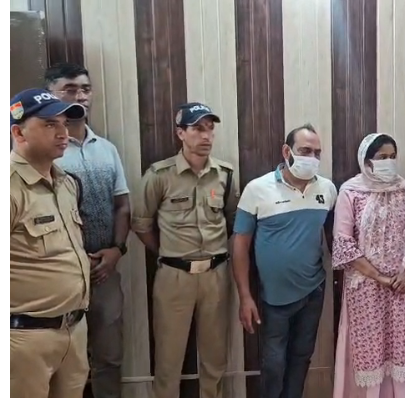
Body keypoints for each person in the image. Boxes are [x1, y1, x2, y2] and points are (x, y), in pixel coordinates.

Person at [131, 102, 240, 398]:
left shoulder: (225, 174)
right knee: (168, 359)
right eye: (197, 129)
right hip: (174, 278)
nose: (206, 136)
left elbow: (232, 219)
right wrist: (168, 253)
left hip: (216, 275)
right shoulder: (159, 175)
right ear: (180, 133)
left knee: (215, 358)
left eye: (210, 129)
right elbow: (141, 224)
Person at [232, 123, 337, 398]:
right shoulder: (257, 189)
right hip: (274, 298)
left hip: (313, 291)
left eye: (317, 153)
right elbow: (240, 245)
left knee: (301, 358)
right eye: (305, 151)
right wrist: (245, 296)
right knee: (273, 363)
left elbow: (331, 235)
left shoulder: (327, 189)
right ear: (286, 151)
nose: (311, 158)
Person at [46, 62, 131, 398]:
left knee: (109, 357)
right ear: (50, 94)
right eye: (69, 89)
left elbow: (122, 206)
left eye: (85, 88)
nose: (79, 95)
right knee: (65, 362)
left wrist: (117, 250)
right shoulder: (45, 151)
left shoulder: (107, 149)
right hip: (63, 275)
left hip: (104, 273)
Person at [332, 133, 405, 398]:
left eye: (392, 157)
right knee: (369, 354)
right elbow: (343, 244)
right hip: (366, 290)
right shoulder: (350, 192)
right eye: (382, 157)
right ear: (367, 161)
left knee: (403, 351)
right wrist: (380, 278)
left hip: (403, 289)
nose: (389, 162)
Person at [10, 88, 91, 398]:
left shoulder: (66, 183)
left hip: (73, 330)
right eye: (49, 124)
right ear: (19, 133)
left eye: (64, 124)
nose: (62, 133)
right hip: (25, 339)